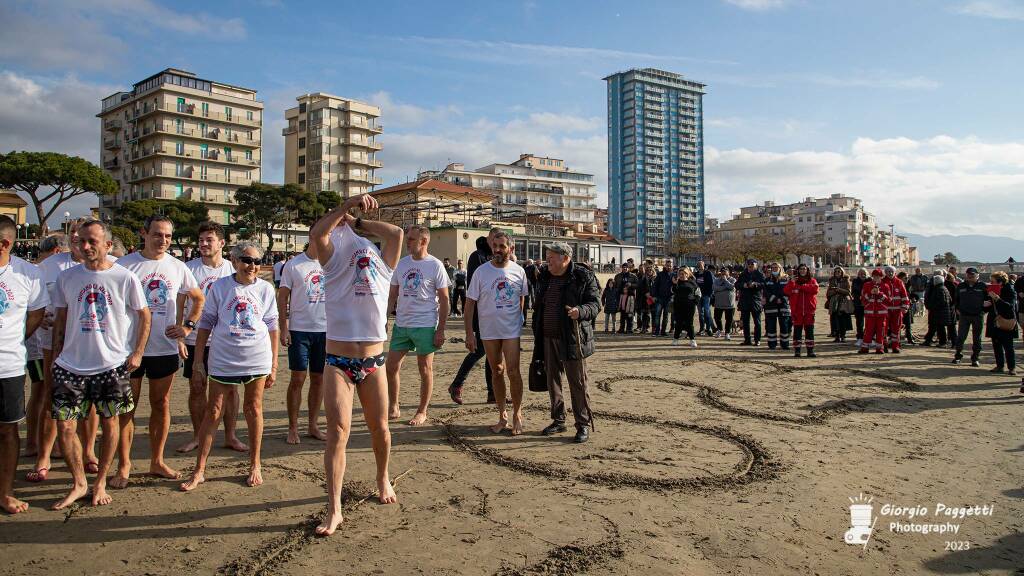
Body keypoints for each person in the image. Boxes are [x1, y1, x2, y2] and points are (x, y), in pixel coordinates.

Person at [309, 194, 402, 537]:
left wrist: (359, 222)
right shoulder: (331, 258)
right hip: (338, 360)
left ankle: (383, 477)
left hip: (374, 359)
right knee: (337, 432)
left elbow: (395, 234)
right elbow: (318, 234)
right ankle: (334, 509)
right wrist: (345, 207)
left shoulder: (383, 260)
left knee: (380, 429)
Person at [49, 220, 151, 509]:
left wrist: (137, 353)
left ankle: (101, 480)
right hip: (70, 365)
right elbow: (62, 316)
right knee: (66, 427)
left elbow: (144, 315)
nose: (85, 246)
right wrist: (56, 354)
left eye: (92, 241)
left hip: (111, 365)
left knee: (110, 424)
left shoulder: (124, 277)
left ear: (107, 245)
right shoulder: (67, 278)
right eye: (81, 241)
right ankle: (79, 482)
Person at [180, 241, 279, 492]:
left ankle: (255, 464)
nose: (252, 266)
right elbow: (206, 325)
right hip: (224, 357)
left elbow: (272, 327)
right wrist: (198, 363)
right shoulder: (221, 287)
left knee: (253, 408)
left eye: (257, 261)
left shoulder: (266, 289)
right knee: (213, 411)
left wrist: (274, 363)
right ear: (234, 261)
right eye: (247, 260)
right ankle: (199, 469)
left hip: (257, 356)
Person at [115, 215, 204, 487]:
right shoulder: (124, 265)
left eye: (167, 236)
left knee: (161, 404)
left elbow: (197, 297)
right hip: (128, 349)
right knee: (127, 408)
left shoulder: (177, 267)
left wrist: (187, 327)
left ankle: (157, 460)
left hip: (163, 347)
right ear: (144, 233)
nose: (163, 240)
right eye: (157, 234)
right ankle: (124, 465)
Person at [177, 221, 247, 454]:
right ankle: (198, 436)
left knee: (231, 390)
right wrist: (180, 333)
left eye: (209, 240)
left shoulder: (231, 268)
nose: (204, 244)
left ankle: (230, 435)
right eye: (201, 240)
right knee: (197, 387)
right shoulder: (189, 268)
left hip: (226, 340)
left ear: (221, 243)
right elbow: (181, 302)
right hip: (195, 339)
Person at [0, 216, 47, 514]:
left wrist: (15, 338)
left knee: (7, 430)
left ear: (4, 244)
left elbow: (37, 313)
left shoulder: (28, 274)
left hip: (8, 366)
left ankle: (5, 491)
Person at [534, 242, 600, 443]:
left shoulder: (583, 276)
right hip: (547, 337)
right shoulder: (545, 275)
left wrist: (580, 311)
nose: (548, 261)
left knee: (578, 383)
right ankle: (558, 419)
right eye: (547, 257)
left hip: (572, 337)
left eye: (551, 258)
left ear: (565, 258)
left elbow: (596, 304)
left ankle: (582, 424)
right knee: (552, 380)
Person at [385, 226, 449, 426]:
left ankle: (422, 411)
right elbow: (392, 294)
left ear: (424, 241)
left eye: (412, 239)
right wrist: (384, 318)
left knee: (425, 368)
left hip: (425, 324)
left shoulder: (435, 265)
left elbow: (445, 299)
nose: (407, 242)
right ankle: (394, 406)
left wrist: (440, 330)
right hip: (402, 323)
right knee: (391, 366)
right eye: (408, 238)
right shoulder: (402, 264)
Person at [464, 231, 527, 436]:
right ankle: (502, 415)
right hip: (488, 330)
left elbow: (521, 299)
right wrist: (469, 333)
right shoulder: (481, 272)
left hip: (511, 330)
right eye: (495, 246)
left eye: (502, 246)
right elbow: (470, 304)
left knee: (513, 371)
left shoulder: (519, 271)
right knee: (496, 371)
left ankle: (517, 414)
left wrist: (518, 321)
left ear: (511, 249)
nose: (497, 250)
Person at [278, 242, 327, 444]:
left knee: (319, 379)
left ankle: (313, 425)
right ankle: (293, 427)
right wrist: (284, 327)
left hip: (325, 331)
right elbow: (282, 298)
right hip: (299, 331)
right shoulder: (293, 264)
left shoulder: (331, 263)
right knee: (297, 379)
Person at [448, 232, 496, 405]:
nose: (496, 246)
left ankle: (492, 393)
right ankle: (457, 384)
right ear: (489, 239)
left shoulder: (494, 256)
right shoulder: (478, 256)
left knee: (493, 354)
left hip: (494, 313)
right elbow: (477, 285)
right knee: (481, 350)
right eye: (493, 241)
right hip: (479, 312)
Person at [952, 267, 988, 367]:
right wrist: (957, 308)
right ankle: (958, 356)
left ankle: (975, 358)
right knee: (961, 337)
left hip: (978, 315)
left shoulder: (982, 286)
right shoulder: (961, 286)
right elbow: (956, 299)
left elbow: (988, 300)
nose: (970, 277)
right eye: (968, 275)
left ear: (977, 275)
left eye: (972, 275)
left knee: (977, 338)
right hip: (964, 315)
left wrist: (984, 311)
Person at [985, 271, 1017, 375]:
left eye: (993, 281)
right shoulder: (992, 290)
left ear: (1000, 282)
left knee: (1008, 346)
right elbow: (990, 305)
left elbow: (1009, 306)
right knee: (996, 344)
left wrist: (997, 299)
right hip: (994, 320)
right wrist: (985, 304)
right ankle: (1000, 366)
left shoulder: (1010, 290)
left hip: (1006, 320)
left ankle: (1012, 367)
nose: (991, 283)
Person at [785, 264, 819, 358]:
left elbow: (815, 289)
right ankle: (797, 351)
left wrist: (802, 287)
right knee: (797, 331)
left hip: (809, 310)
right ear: (798, 270)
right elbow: (786, 291)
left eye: (804, 269)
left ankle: (810, 350)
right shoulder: (793, 282)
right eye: (801, 269)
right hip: (797, 311)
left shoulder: (812, 280)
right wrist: (792, 282)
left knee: (809, 331)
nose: (802, 271)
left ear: (807, 270)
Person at [860, 269, 891, 354]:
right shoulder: (867, 285)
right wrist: (870, 294)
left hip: (881, 313)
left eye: (878, 276)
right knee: (868, 331)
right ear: (872, 276)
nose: (876, 278)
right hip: (870, 313)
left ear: (881, 277)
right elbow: (862, 299)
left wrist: (879, 294)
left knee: (880, 331)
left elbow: (888, 300)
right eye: (874, 276)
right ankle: (865, 347)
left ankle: (879, 348)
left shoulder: (885, 286)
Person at [762, 262, 791, 350]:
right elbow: (766, 292)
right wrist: (775, 298)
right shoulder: (767, 280)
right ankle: (772, 344)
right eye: (773, 267)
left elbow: (788, 290)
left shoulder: (786, 279)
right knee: (771, 326)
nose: (774, 269)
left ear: (780, 268)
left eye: (776, 267)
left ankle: (785, 344)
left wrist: (781, 299)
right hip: (771, 306)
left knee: (785, 326)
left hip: (783, 305)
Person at [880, 267, 909, 353]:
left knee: (896, 329)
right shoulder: (882, 282)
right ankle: (884, 345)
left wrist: (905, 306)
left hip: (897, 310)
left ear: (894, 272)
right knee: (883, 329)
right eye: (888, 271)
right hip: (886, 310)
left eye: (892, 271)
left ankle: (895, 346)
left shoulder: (899, 282)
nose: (890, 273)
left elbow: (904, 295)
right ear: (885, 272)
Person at [737, 259, 765, 346]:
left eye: (752, 265)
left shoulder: (759, 275)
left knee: (757, 322)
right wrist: (743, 285)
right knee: (745, 322)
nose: (750, 266)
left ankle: (757, 340)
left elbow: (763, 284)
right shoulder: (743, 274)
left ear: (756, 265)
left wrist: (755, 284)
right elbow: (737, 284)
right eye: (749, 264)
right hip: (744, 300)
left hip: (755, 300)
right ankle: (747, 340)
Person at [671, 267, 700, 347]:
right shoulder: (676, 282)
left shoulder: (692, 282)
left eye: (683, 274)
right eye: (680, 274)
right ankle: (675, 339)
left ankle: (692, 340)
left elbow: (698, 293)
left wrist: (695, 301)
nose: (681, 275)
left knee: (689, 323)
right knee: (678, 323)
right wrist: (674, 284)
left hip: (690, 306)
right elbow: (672, 291)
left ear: (687, 274)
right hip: (678, 305)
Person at [922, 275, 953, 347]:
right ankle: (929, 340)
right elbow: (950, 300)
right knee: (936, 327)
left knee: (940, 328)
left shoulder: (939, 289)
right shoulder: (944, 288)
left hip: (939, 312)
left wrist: (932, 306)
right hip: (942, 312)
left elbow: (942, 301)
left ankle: (942, 343)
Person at [827, 267, 854, 343]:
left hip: (843, 302)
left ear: (842, 272)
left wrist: (839, 290)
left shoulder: (846, 280)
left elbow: (848, 291)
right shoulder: (832, 280)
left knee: (843, 320)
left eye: (839, 271)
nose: (838, 273)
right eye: (836, 271)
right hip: (834, 302)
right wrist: (834, 292)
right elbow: (828, 292)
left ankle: (843, 336)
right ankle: (836, 336)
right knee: (834, 320)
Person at [712, 267, 736, 339]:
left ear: (728, 272)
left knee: (729, 319)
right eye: (722, 272)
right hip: (718, 303)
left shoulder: (733, 279)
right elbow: (714, 288)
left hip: (729, 304)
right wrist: (725, 287)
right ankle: (720, 330)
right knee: (717, 318)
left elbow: (732, 287)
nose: (723, 273)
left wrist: (725, 281)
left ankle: (727, 333)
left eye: (725, 272)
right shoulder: (716, 280)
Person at [695, 261, 715, 336]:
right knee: (700, 313)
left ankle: (708, 328)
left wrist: (709, 294)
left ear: (704, 265)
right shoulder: (696, 274)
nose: (700, 266)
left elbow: (711, 284)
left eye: (701, 264)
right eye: (698, 264)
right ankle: (701, 328)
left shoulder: (708, 273)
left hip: (706, 295)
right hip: (699, 296)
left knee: (707, 312)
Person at [851, 269, 868, 347]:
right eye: (860, 273)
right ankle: (860, 337)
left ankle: (868, 337)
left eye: (864, 273)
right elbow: (853, 291)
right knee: (859, 322)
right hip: (858, 303)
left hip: (868, 303)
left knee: (869, 322)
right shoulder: (855, 281)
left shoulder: (869, 281)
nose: (862, 275)